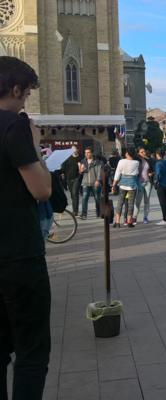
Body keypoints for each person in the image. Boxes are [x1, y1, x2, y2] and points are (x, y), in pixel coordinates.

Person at [0, 55, 52, 400]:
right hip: (17, 254)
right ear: (15, 89)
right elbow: (42, 189)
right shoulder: (12, 125)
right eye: (26, 95)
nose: (25, 104)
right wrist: (34, 144)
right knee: (31, 352)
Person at [111, 148, 139, 228]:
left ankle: (117, 222)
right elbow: (137, 173)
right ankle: (129, 222)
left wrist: (114, 185)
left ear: (127, 154)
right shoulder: (136, 163)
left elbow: (117, 173)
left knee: (120, 203)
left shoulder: (121, 161)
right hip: (132, 185)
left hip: (122, 184)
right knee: (131, 204)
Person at [78, 147, 103, 220]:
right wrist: (81, 171)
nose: (86, 154)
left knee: (97, 199)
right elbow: (80, 172)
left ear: (92, 153)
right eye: (85, 152)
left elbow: (99, 172)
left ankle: (99, 213)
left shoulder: (97, 161)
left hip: (95, 182)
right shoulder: (83, 161)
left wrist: (98, 180)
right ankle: (83, 214)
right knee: (84, 198)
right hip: (85, 183)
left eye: (88, 152)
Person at [133, 147, 153, 224]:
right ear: (138, 153)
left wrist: (151, 173)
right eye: (141, 152)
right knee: (138, 201)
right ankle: (134, 217)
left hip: (148, 182)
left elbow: (152, 168)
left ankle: (145, 217)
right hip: (139, 183)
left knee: (147, 201)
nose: (143, 153)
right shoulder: (136, 161)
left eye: (144, 151)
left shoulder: (148, 160)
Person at [154, 149, 166, 225]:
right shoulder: (165, 162)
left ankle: (164, 219)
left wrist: (156, 182)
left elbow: (158, 174)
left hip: (161, 184)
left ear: (157, 155)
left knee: (162, 202)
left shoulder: (158, 163)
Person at [61, 145, 81, 216]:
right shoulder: (67, 158)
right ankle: (74, 208)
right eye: (72, 149)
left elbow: (84, 166)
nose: (74, 150)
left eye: (75, 149)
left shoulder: (80, 158)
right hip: (69, 179)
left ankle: (75, 211)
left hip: (77, 178)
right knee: (72, 195)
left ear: (77, 150)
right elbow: (63, 168)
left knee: (75, 193)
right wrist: (62, 174)